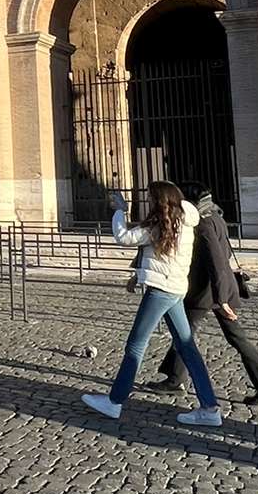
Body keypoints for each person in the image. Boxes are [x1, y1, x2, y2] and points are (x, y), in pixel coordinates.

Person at [81, 181, 222, 430]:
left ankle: (114, 401)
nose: (147, 201)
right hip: (176, 287)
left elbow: (124, 237)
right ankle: (209, 407)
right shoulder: (185, 221)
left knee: (136, 346)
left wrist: (120, 211)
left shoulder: (159, 225)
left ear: (159, 201)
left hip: (161, 290)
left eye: (150, 198)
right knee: (187, 348)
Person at [155, 187, 258, 409]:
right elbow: (226, 254)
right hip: (217, 289)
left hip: (208, 291)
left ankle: (175, 379)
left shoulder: (202, 224)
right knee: (235, 337)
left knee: (184, 332)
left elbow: (216, 261)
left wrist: (221, 297)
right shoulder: (216, 216)